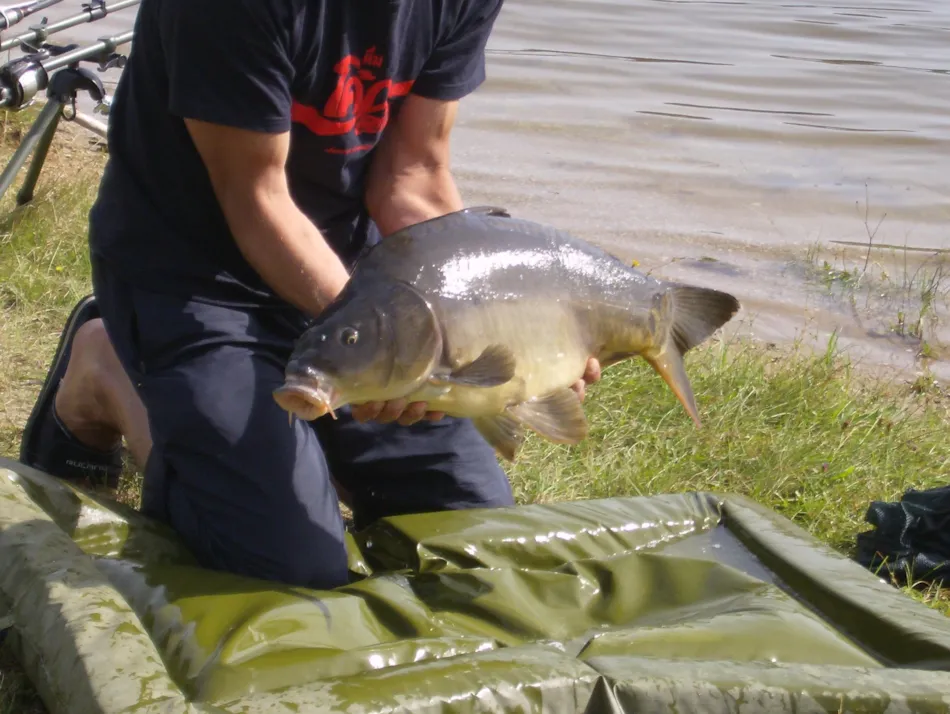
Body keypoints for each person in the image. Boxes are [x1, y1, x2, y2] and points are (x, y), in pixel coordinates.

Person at [18, 0, 602, 590]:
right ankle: (107, 369)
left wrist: (495, 329)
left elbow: (415, 175)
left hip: (355, 270)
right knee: (287, 571)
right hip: (190, 274)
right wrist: (392, 347)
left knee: (473, 541)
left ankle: (303, 431)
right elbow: (257, 199)